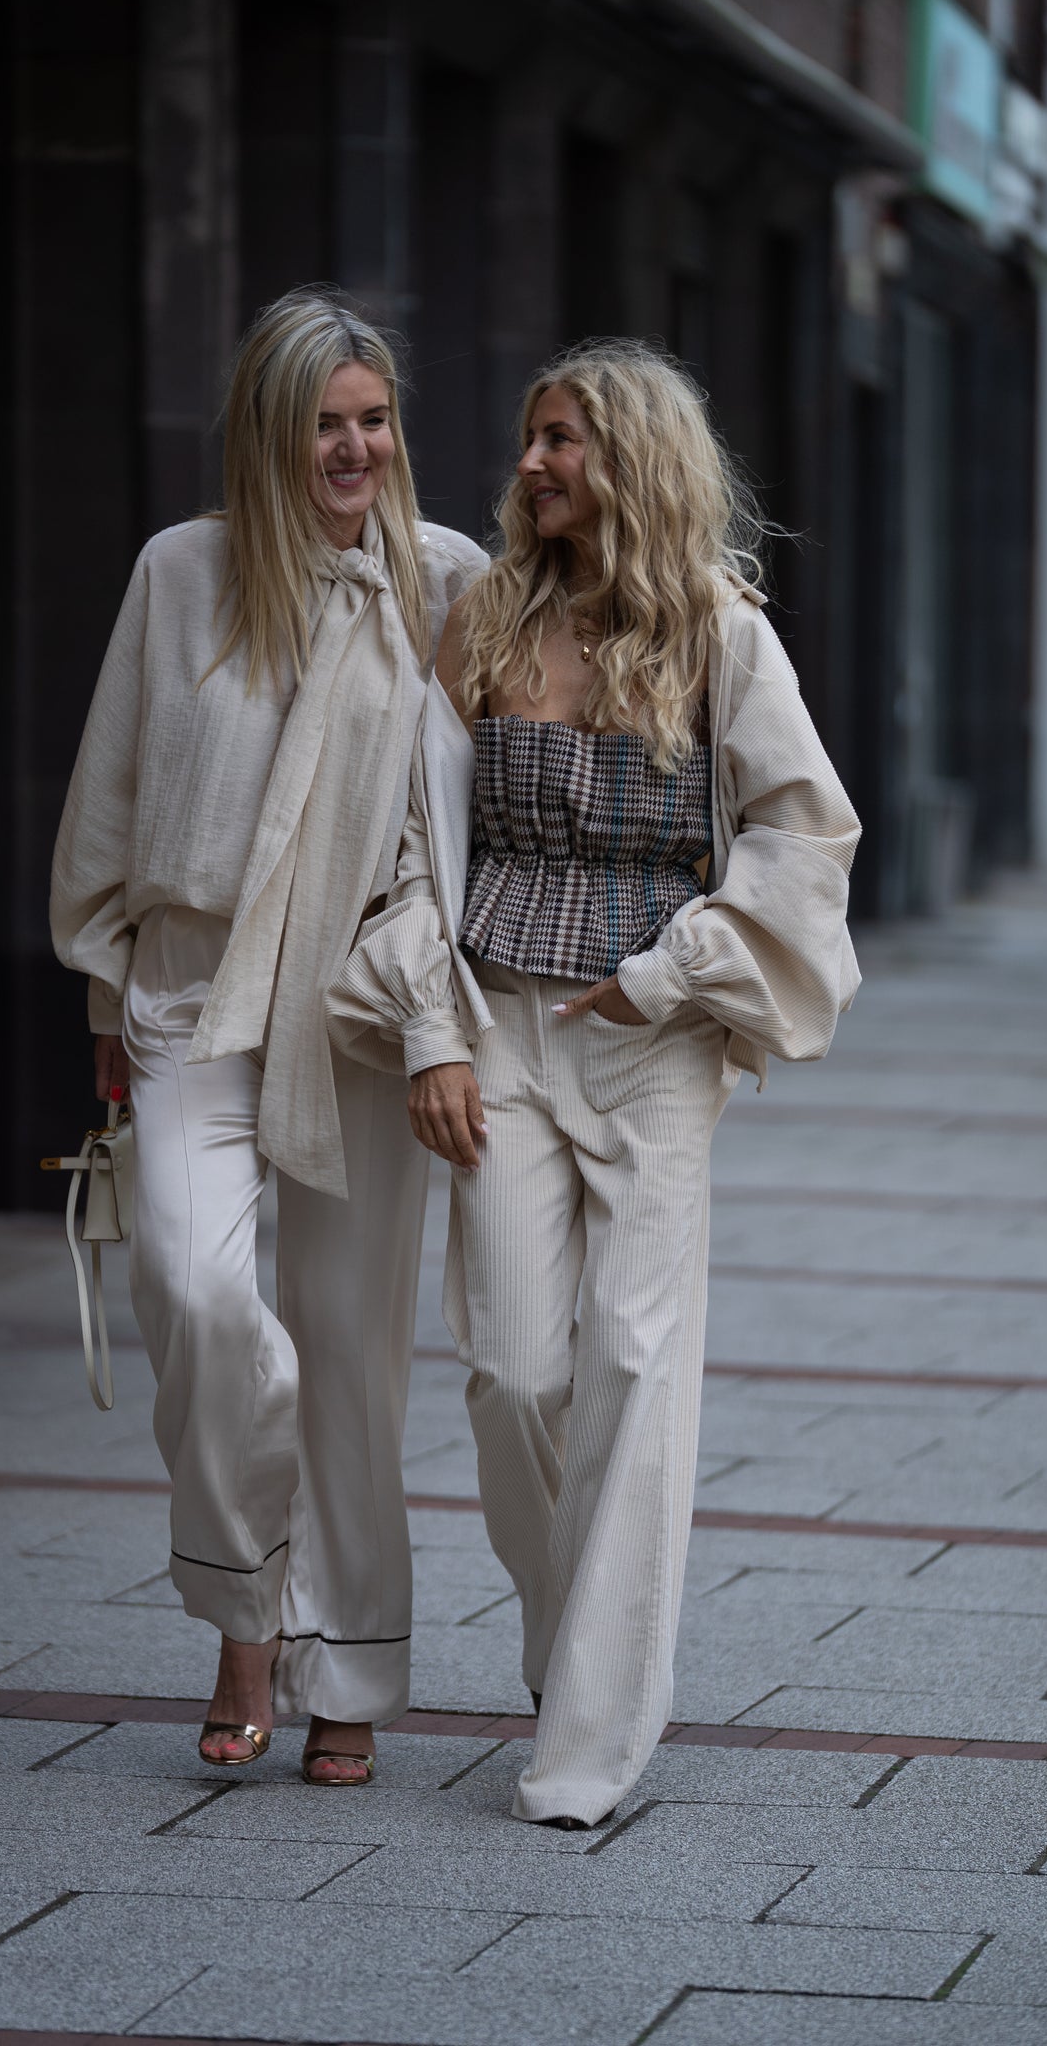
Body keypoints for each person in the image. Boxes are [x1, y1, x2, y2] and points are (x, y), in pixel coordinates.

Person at [330, 340, 861, 1827]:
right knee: (512, 1372)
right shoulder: (484, 618)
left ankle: (589, 1736)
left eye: (560, 439)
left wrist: (676, 971)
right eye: (530, 438)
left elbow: (804, 832)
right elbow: (412, 839)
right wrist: (431, 1031)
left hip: (649, 1043)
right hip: (497, 1021)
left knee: (631, 1363)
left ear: (631, 459)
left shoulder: (721, 636)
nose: (530, 464)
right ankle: (576, 1644)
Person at [51, 289, 487, 1785]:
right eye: (324, 425)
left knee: (352, 1354)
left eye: (375, 419)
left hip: (359, 1011)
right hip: (191, 994)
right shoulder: (179, 573)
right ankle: (248, 1606)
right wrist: (106, 998)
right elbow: (112, 794)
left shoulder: (445, 583)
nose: (356, 449)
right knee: (195, 1290)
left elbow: (453, 835)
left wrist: (437, 1022)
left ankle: (343, 1663)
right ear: (263, 433)